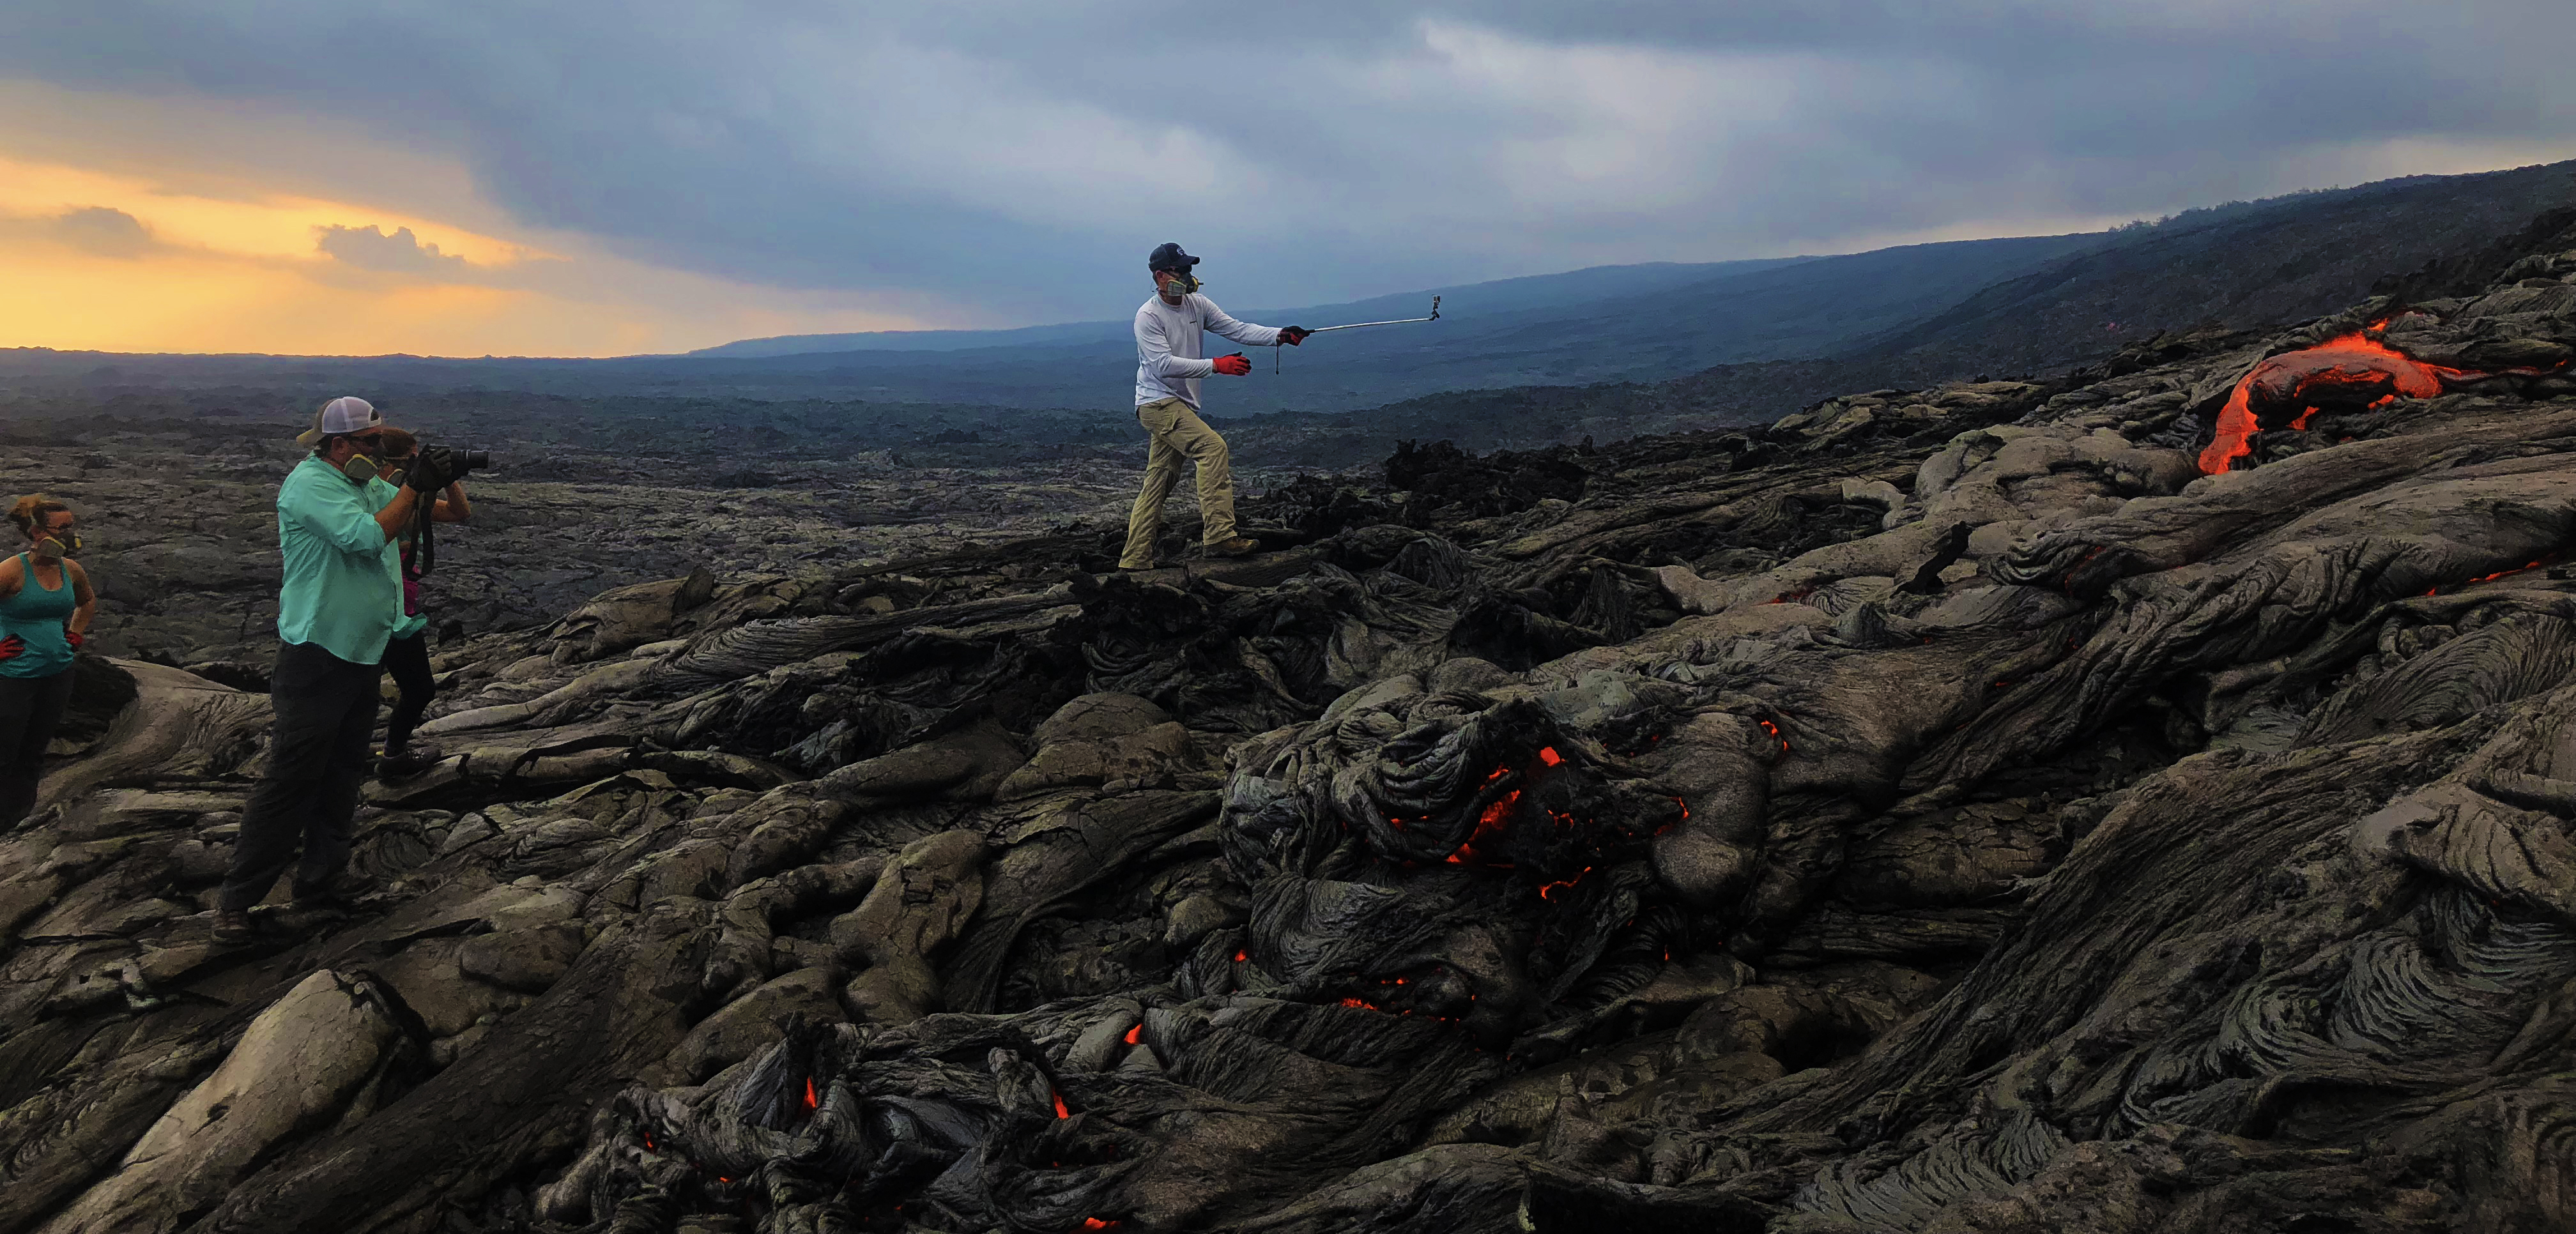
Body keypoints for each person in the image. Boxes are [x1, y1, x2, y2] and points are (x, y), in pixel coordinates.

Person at [215, 396, 450, 942]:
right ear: (339, 444)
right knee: (291, 779)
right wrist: (412, 485)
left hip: (362, 651)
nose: (379, 451)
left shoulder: (362, 484)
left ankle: (322, 880)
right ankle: (236, 904)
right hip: (318, 654)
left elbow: (425, 514)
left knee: (343, 772)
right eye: (371, 442)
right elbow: (366, 539)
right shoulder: (310, 485)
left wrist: (436, 479)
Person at [1119, 242, 1310, 571]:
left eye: (1189, 269)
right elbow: (1163, 365)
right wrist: (1216, 366)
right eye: (1180, 270)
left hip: (1178, 404)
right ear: (1160, 276)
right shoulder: (1148, 316)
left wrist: (1278, 335)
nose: (1187, 276)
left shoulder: (1197, 304)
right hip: (1158, 403)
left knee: (1158, 484)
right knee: (1212, 448)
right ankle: (1220, 537)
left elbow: (1236, 328)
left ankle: (1134, 560)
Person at [371, 429, 470, 778]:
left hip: (401, 612)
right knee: (409, 689)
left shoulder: (408, 500)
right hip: (377, 611)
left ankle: (389, 755)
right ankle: (390, 757)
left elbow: (460, 512)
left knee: (415, 689)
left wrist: (447, 478)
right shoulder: (375, 499)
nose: (417, 466)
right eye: (413, 460)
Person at [0, 496, 94, 826]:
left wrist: (76, 633)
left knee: (35, 750)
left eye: (72, 526)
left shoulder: (71, 569)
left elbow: (87, 601)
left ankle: (17, 820)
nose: (69, 534)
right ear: (38, 532)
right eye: (62, 528)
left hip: (58, 673)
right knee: (5, 749)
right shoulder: (11, 571)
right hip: (14, 675)